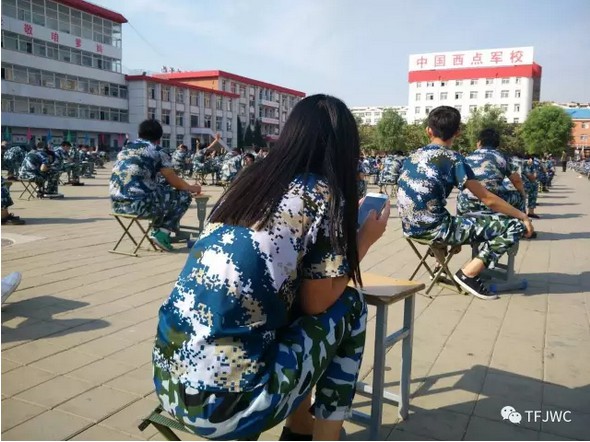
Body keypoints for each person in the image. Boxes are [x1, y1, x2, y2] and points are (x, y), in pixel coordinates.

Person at [152, 94, 389, 441]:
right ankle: (325, 436)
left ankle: (300, 427)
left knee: (287, 302)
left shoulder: (248, 183)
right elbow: (317, 303)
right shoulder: (324, 194)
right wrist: (364, 239)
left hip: (170, 384)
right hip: (229, 407)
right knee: (351, 306)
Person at [397, 106, 534, 300]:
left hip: (409, 228)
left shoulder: (412, 156)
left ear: (428, 131)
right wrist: (522, 215)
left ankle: (440, 266)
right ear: (458, 132)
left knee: (442, 214)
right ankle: (468, 274)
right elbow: (487, 199)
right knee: (514, 225)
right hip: (437, 230)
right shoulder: (454, 160)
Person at [110, 120, 201, 252]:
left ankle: (156, 229)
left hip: (117, 205)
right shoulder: (157, 151)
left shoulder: (125, 150)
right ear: (159, 137)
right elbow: (173, 180)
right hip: (139, 207)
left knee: (161, 191)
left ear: (139, 134)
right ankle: (162, 232)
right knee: (184, 195)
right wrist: (192, 188)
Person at [457, 128, 527, 215]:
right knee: (519, 197)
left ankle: (460, 220)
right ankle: (522, 220)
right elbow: (516, 181)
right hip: (494, 201)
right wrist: (523, 194)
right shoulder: (502, 157)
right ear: (497, 144)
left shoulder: (466, 158)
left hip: (468, 201)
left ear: (479, 142)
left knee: (460, 195)